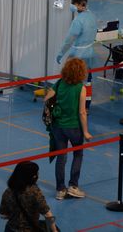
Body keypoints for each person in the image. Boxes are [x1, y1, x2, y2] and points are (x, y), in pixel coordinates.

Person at [44, 58, 93, 200]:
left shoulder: (59, 83)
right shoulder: (81, 88)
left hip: (58, 126)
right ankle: (73, 186)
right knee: (78, 154)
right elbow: (82, 112)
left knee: (61, 157)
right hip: (73, 127)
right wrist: (85, 132)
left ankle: (60, 189)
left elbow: (46, 99)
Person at [56, 0, 98, 109]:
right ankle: (86, 107)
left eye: (72, 4)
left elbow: (68, 41)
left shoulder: (78, 21)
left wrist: (61, 53)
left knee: (72, 81)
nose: (71, 6)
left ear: (78, 5)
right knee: (87, 81)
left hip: (78, 56)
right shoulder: (92, 16)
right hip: (89, 54)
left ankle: (73, 106)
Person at [0, 161, 57, 232]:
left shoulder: (8, 191)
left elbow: (3, 214)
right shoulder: (34, 192)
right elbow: (48, 215)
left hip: (11, 229)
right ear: (33, 176)